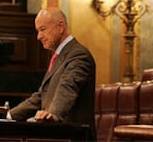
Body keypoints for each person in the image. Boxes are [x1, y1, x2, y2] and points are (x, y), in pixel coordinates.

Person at [9, 8, 96, 140]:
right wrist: (9, 115)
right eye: (38, 31)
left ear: (60, 26)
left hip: (72, 137)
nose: (39, 37)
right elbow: (41, 96)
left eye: (42, 29)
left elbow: (67, 87)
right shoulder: (60, 55)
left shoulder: (78, 55)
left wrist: (53, 114)